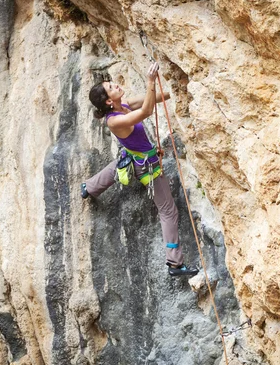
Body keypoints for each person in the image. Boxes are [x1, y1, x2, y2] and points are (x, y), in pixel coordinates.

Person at [83, 63, 198, 277]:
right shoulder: (115, 121)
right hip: (146, 166)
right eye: (111, 87)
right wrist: (150, 80)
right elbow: (146, 111)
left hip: (134, 157)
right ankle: (174, 264)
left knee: (120, 165)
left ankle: (90, 187)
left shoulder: (123, 105)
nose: (116, 85)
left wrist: (176, 90)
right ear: (109, 101)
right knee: (168, 211)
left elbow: (151, 99)